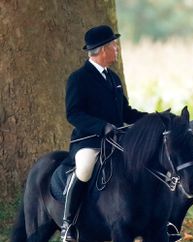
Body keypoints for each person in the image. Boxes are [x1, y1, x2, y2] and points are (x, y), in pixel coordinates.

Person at [61, 25, 147, 241]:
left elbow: (126, 112)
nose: (117, 48)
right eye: (113, 45)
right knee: (85, 167)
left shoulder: (113, 78)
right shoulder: (78, 78)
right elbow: (73, 113)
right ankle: (68, 223)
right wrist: (101, 127)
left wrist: (152, 119)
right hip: (90, 142)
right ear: (102, 49)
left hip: (117, 142)